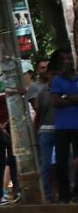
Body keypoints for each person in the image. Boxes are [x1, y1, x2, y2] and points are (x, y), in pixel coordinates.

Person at [36, 53, 66, 202]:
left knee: (62, 164)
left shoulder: (66, 90)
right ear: (48, 75)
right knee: (46, 165)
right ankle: (48, 196)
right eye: (52, 74)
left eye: (57, 74)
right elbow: (38, 116)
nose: (54, 77)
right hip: (46, 131)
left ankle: (64, 194)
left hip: (63, 130)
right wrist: (37, 134)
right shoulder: (42, 94)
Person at [50, 51, 78, 203]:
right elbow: (55, 101)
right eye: (64, 59)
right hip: (62, 126)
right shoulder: (57, 80)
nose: (67, 61)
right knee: (61, 162)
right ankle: (64, 195)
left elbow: (60, 99)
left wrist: (65, 96)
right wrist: (74, 99)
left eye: (69, 58)